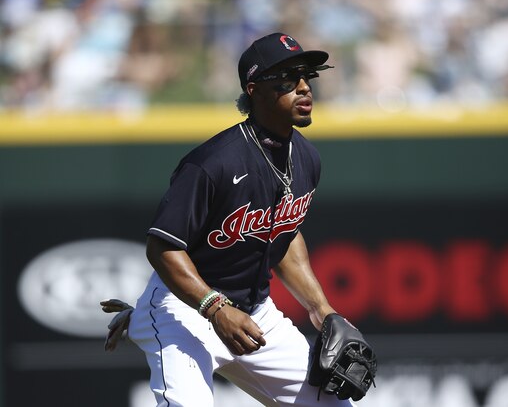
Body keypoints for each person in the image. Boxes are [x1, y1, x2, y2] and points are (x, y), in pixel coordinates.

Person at [126, 32, 352, 406]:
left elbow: (285, 234)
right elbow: (163, 247)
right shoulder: (213, 162)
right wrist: (215, 308)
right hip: (185, 311)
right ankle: (144, 320)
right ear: (254, 89)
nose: (302, 87)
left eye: (306, 77)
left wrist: (320, 308)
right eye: (286, 79)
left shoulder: (307, 158)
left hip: (255, 312)